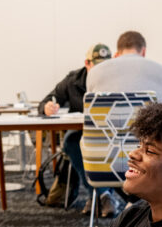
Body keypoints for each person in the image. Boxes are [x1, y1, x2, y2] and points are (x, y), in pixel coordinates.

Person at [37, 43, 118, 217]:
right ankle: (104, 195)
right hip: (83, 134)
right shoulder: (73, 80)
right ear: (87, 63)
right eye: (97, 66)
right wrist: (47, 107)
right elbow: (45, 101)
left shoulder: (117, 78)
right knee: (70, 141)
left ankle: (96, 195)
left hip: (112, 133)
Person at [86, 30, 162, 112]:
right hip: (150, 146)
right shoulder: (161, 70)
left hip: (104, 146)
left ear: (118, 52)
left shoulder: (94, 72)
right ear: (143, 51)